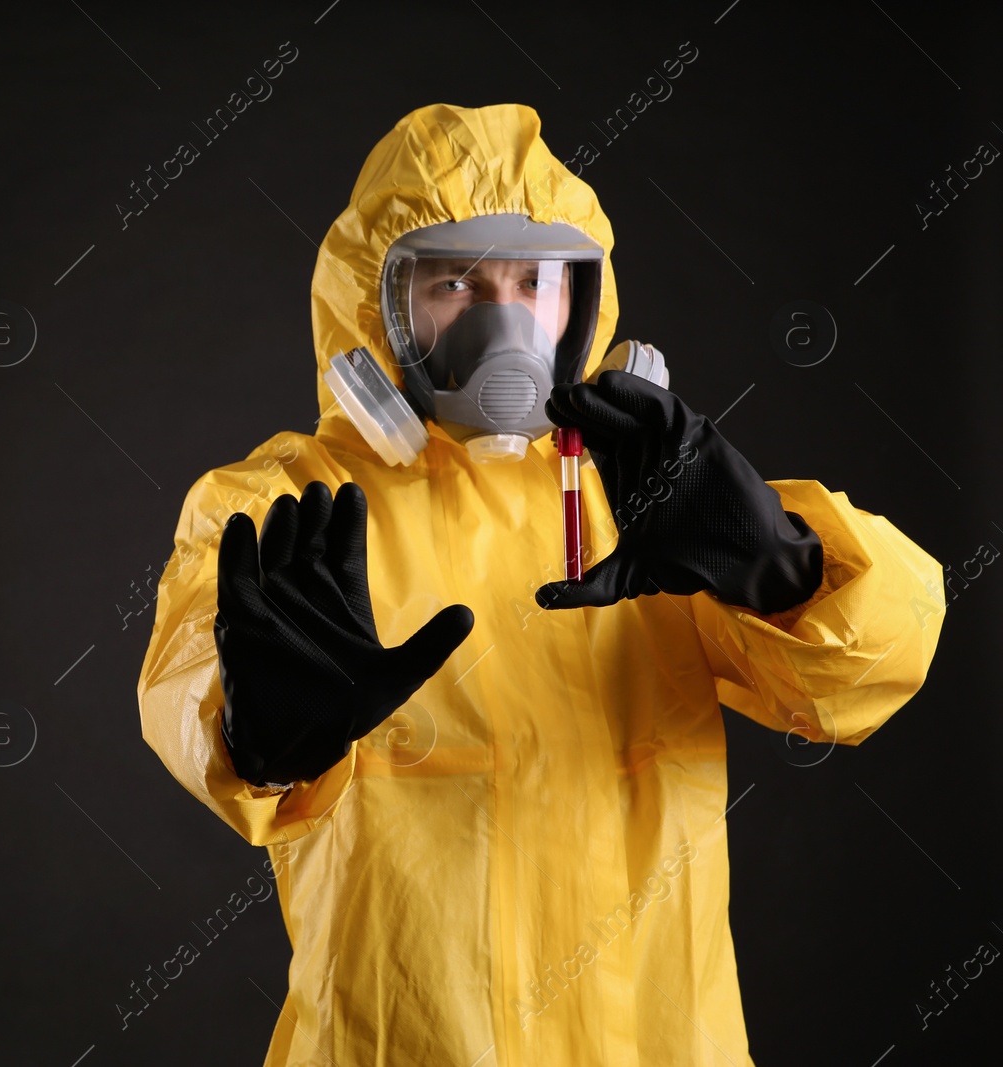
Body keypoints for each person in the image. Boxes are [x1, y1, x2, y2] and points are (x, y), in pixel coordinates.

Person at [136, 102, 945, 1066]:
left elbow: (863, 680)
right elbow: (186, 685)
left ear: (584, 303)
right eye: (454, 282)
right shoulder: (292, 508)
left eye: (533, 281)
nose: (504, 318)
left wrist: (784, 568)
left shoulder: (649, 503)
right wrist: (250, 730)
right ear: (377, 302)